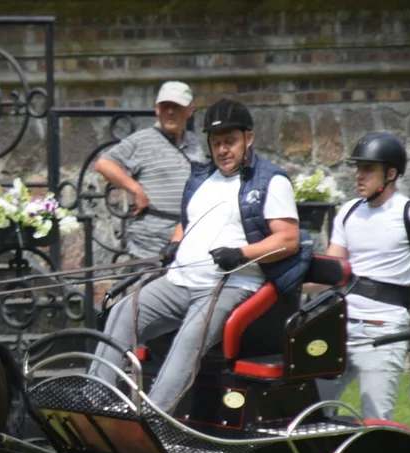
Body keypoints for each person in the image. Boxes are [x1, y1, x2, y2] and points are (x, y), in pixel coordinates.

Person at [90, 98, 310, 412]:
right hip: (180, 280)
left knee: (188, 340)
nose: (222, 150)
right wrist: (175, 244)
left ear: (248, 138)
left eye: (230, 142)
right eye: (216, 142)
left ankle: (155, 416)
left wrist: (241, 254)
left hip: (233, 286)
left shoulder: (271, 181)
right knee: (123, 312)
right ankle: (94, 397)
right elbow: (189, 220)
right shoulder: (201, 177)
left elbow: (287, 240)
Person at [317, 132, 410, 420]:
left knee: (374, 420)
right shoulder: (348, 211)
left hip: (383, 330)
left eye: (368, 169)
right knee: (310, 411)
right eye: (358, 167)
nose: (358, 175)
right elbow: (332, 271)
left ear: (391, 173)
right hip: (338, 326)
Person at [94, 80, 205, 260]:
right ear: (157, 110)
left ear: (189, 111)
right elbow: (104, 163)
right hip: (150, 238)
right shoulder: (142, 140)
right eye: (165, 106)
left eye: (176, 106)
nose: (170, 112)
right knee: (146, 287)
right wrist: (135, 189)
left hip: (188, 234)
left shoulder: (193, 141)